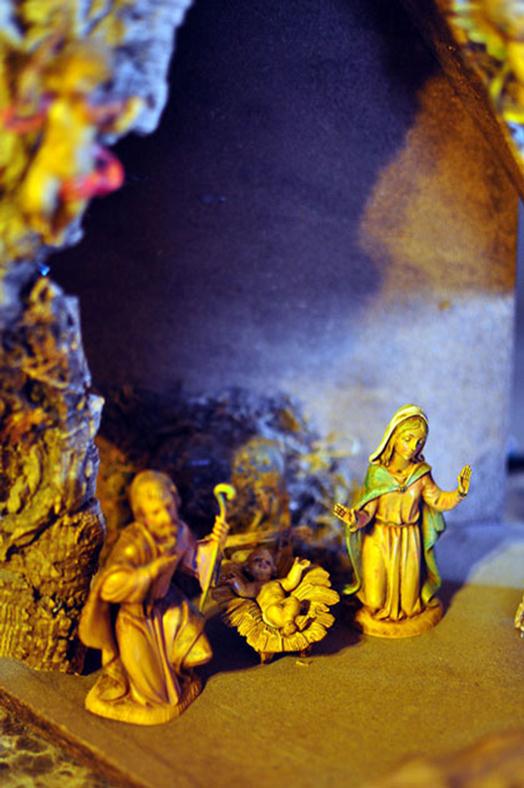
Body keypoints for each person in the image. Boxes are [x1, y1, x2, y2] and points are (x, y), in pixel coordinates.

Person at [79, 470, 228, 725]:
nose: (165, 517)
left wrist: (216, 545)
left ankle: (177, 670)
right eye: (156, 512)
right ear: (143, 515)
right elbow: (110, 585)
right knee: (156, 695)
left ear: (176, 501)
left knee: (198, 652)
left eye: (168, 507)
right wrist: (150, 572)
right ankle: (131, 676)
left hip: (168, 608)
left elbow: (197, 564)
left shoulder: (179, 532)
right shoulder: (133, 543)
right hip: (135, 619)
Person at [334, 404, 471, 637]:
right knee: (374, 603)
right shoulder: (377, 473)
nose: (414, 446)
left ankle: (407, 606)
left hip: (408, 541)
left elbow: (438, 500)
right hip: (378, 537)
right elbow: (368, 511)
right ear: (394, 436)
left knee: (410, 607)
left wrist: (459, 492)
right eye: (408, 438)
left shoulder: (421, 474)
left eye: (420, 441)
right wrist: (354, 518)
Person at [225, 548, 310, 636]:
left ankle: (290, 622)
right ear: (247, 568)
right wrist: (234, 581)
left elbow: (290, 582)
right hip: (270, 611)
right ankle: (289, 624)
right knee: (277, 610)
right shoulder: (255, 586)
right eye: (257, 560)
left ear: (273, 570)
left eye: (268, 562)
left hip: (284, 605)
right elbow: (243, 590)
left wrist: (297, 568)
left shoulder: (277, 582)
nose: (263, 562)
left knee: (293, 600)